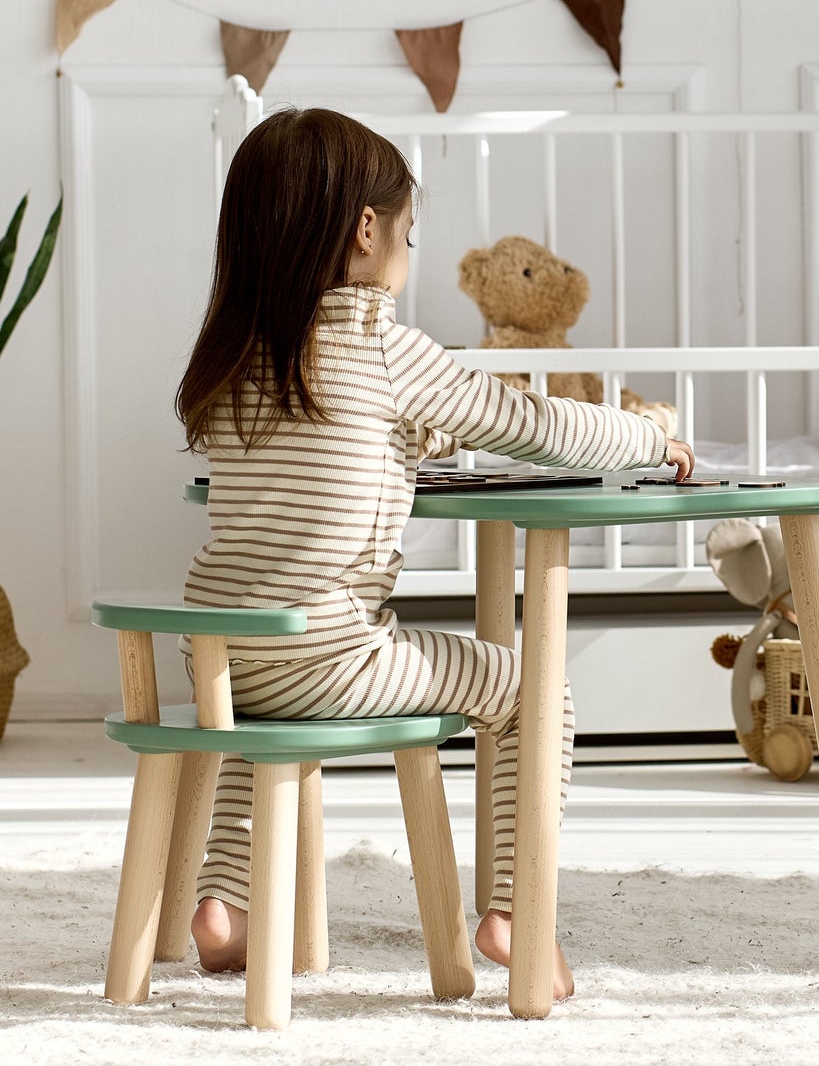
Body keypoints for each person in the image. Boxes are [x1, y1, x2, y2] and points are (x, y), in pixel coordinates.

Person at [175, 106, 695, 1003]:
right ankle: (513, 913)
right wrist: (645, 438)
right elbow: (532, 424)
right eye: (409, 235)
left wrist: (410, 441)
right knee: (532, 687)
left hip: (223, 654)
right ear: (367, 232)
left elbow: (336, 448)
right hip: (330, 657)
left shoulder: (233, 357)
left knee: (259, 717)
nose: (408, 255)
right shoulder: (383, 345)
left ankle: (226, 903)